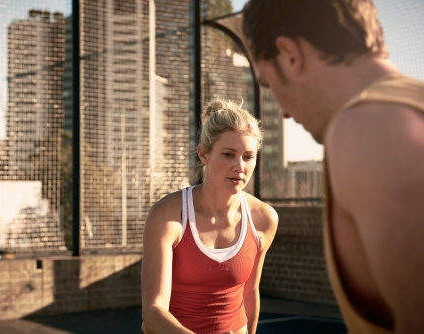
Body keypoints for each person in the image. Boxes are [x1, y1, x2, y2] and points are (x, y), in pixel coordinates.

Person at [241, 1, 424, 333]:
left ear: (289, 54)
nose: (281, 111)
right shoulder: (406, 110)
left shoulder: (370, 127)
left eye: (267, 84)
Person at [140, 99, 278, 334]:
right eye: (228, 154)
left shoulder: (264, 219)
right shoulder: (168, 215)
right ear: (204, 154)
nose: (239, 166)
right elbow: (153, 311)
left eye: (248, 156)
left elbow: (250, 294)